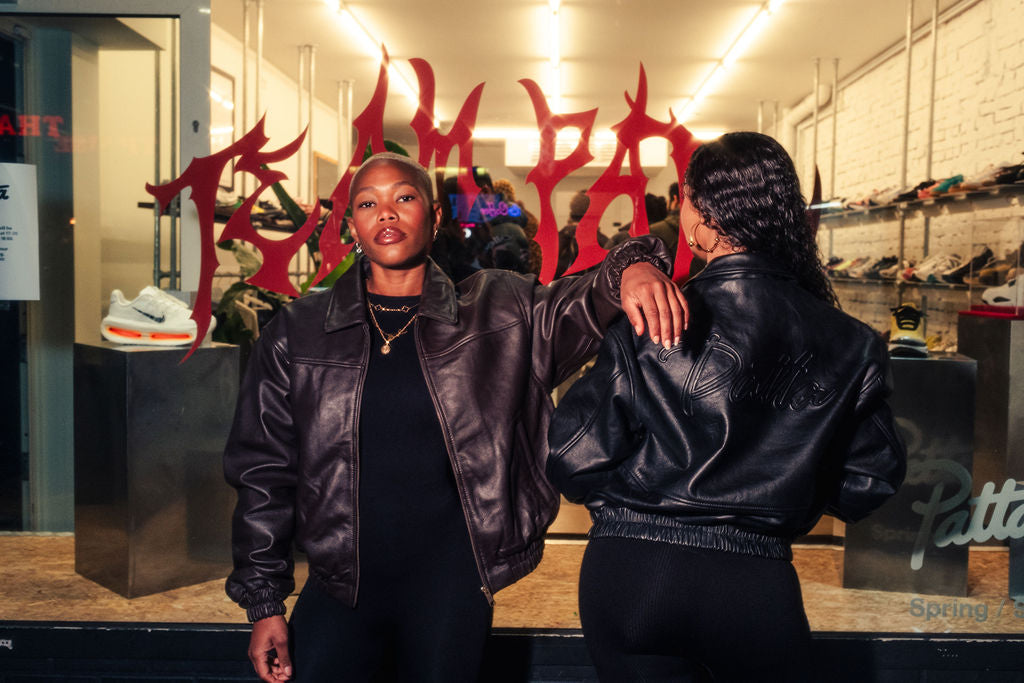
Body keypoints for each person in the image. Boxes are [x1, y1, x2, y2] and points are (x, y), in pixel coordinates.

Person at [224, 151, 687, 683]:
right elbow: (263, 470)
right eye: (368, 204)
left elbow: (583, 301)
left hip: (452, 585)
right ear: (352, 225)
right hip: (339, 584)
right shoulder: (299, 331)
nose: (386, 213)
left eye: (404, 197)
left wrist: (634, 267)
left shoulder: (499, 309)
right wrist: (264, 603)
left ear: (435, 215)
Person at [546, 133, 906, 682]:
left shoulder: (647, 321)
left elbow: (573, 457)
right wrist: (787, 482)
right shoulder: (852, 341)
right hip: (756, 585)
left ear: (701, 217)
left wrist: (634, 506)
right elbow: (868, 482)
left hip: (634, 574)